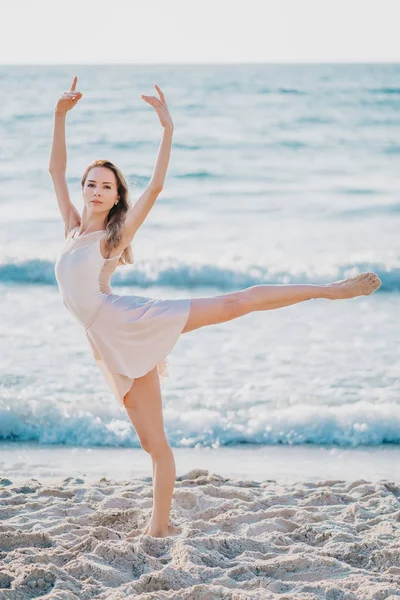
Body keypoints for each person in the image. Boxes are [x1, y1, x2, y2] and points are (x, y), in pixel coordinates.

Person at [49, 76, 382, 538]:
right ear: (83, 188)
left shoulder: (113, 236)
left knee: (234, 302)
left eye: (106, 186)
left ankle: (331, 288)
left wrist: (167, 130)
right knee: (152, 443)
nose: (96, 190)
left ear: (116, 196)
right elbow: (54, 169)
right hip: (106, 341)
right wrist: (60, 117)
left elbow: (156, 189)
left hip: (129, 320)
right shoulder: (70, 228)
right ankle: (161, 526)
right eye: (91, 183)